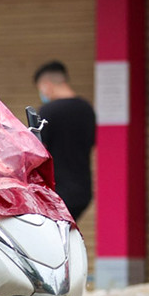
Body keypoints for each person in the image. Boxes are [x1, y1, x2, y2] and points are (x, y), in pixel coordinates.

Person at [32, 60, 97, 218]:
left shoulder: (48, 112)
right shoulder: (87, 109)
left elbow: (36, 150)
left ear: (47, 85)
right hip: (83, 192)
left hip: (58, 193)